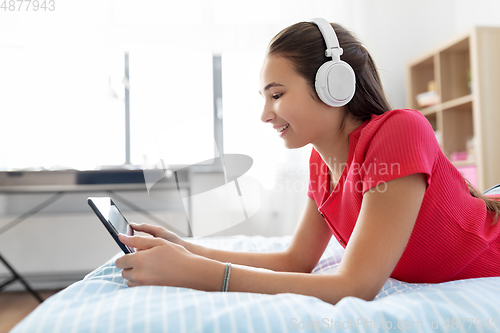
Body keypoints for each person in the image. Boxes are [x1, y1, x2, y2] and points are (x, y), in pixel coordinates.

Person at [115, 19, 500, 305]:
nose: (265, 114)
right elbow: (297, 259)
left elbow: (356, 286)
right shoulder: (320, 162)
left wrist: (202, 275)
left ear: (334, 84)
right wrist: (186, 249)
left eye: (277, 94)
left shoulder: (400, 130)